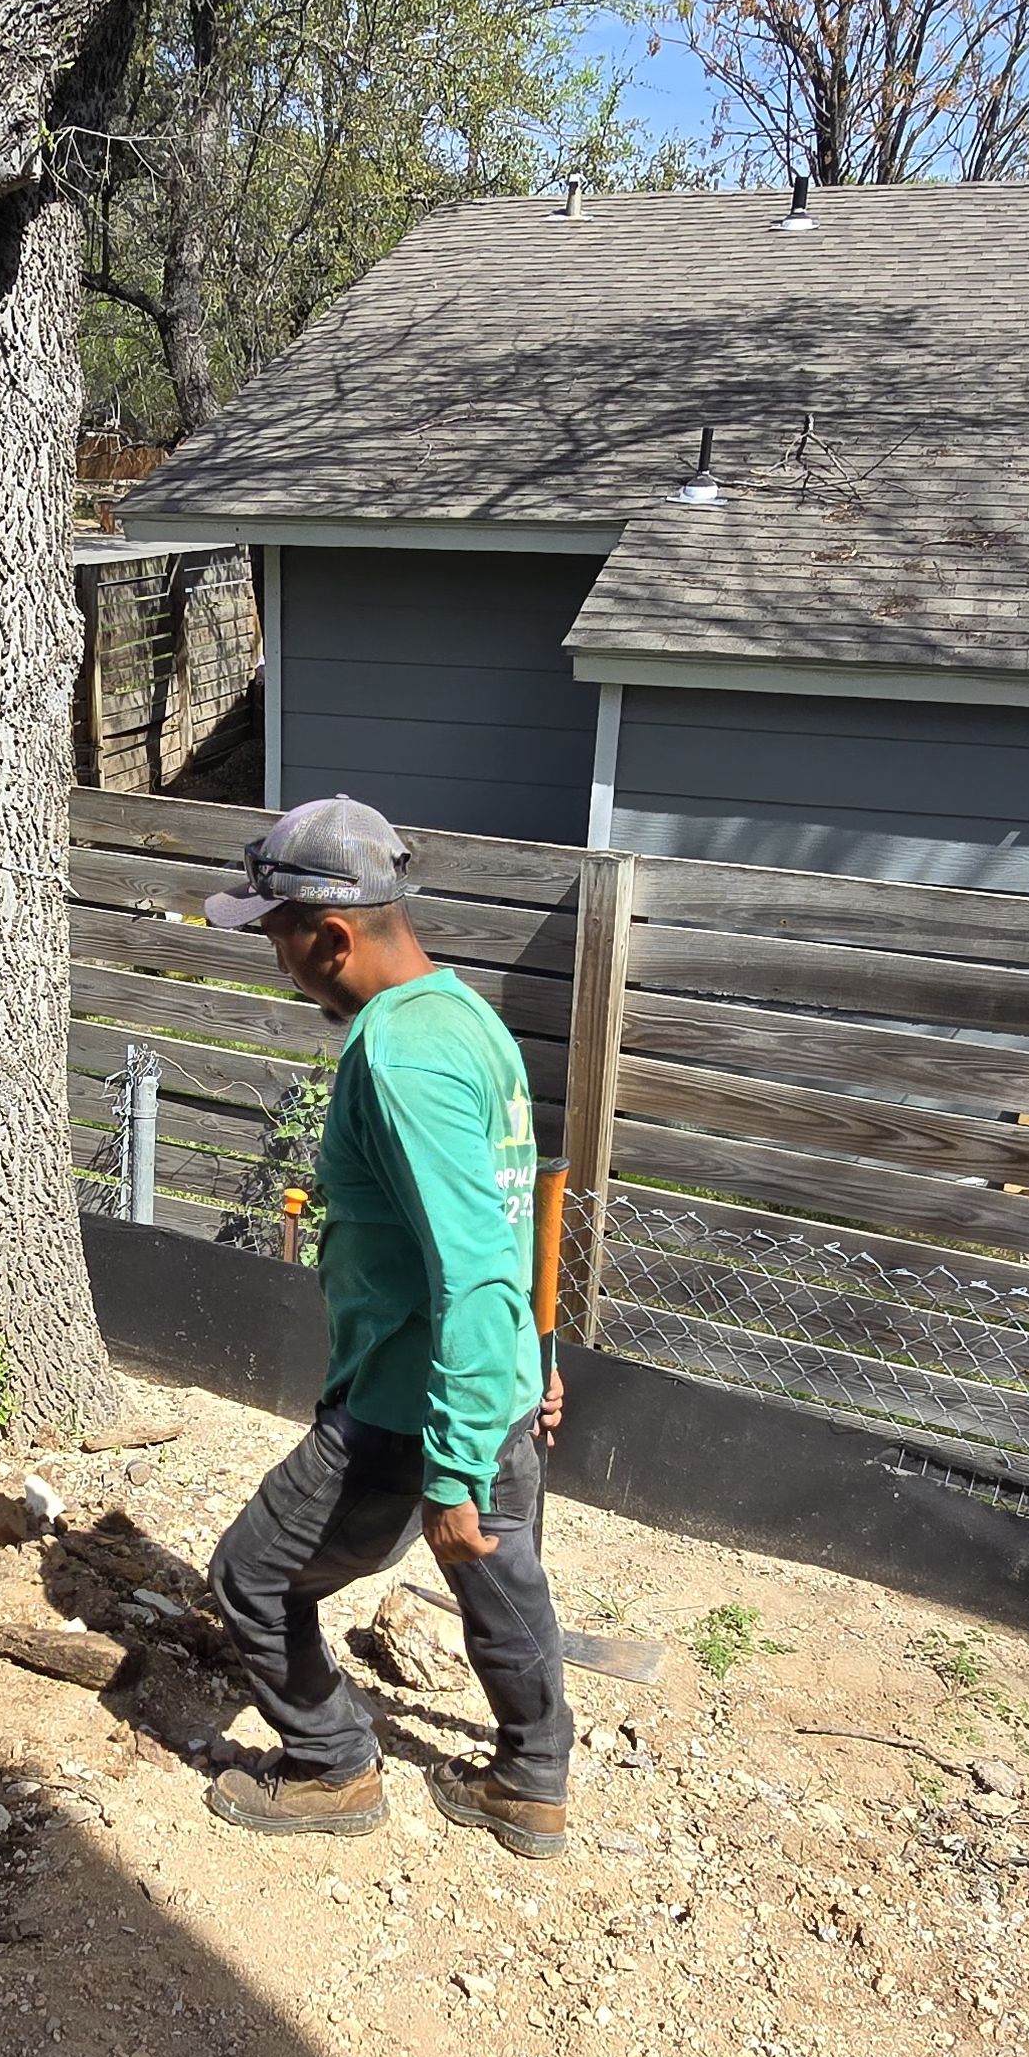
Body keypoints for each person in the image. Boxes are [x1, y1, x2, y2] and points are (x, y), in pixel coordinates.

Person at [198, 796, 575, 1859]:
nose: (275, 962)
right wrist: (531, 1359)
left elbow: (466, 1258)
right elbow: (512, 1212)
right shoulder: (466, 1017)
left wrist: (448, 1472)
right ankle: (530, 1783)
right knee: (503, 1585)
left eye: (276, 937)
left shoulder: (402, 1057)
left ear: (331, 935)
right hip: (485, 1387)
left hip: (410, 1410)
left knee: (251, 1577)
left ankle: (330, 1769)